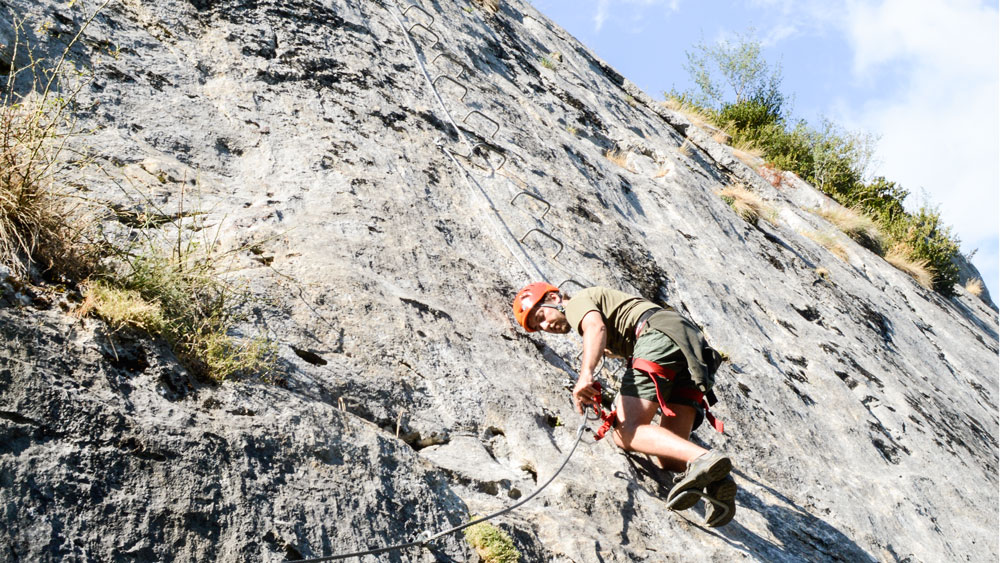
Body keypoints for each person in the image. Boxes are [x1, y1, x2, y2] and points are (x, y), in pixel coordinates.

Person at [512, 282, 736, 526]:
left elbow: (595, 328)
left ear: (554, 298)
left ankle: (704, 458)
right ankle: (717, 480)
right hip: (689, 346)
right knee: (669, 460)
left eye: (541, 316)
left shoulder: (576, 303)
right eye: (538, 326)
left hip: (658, 335)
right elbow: (605, 329)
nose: (546, 326)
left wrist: (585, 374)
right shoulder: (606, 315)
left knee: (626, 431)